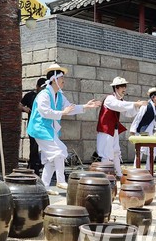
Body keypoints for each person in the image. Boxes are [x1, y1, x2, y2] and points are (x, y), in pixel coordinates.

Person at [27, 63, 101, 191]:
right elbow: (46, 112)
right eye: (62, 79)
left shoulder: (59, 96)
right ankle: (60, 181)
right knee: (59, 152)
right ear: (54, 79)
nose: (63, 81)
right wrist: (63, 112)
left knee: (52, 160)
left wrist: (86, 106)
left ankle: (43, 188)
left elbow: (69, 108)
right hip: (40, 129)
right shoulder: (43, 95)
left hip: (49, 130)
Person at [96, 77, 147, 178]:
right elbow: (119, 105)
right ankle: (105, 177)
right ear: (116, 88)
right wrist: (135, 104)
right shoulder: (110, 99)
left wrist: (137, 106)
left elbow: (128, 113)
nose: (124, 89)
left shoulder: (120, 100)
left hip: (113, 130)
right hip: (106, 130)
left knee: (116, 152)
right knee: (106, 154)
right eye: (122, 86)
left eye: (125, 86)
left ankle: (119, 174)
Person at [130, 87, 156, 170]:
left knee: (153, 150)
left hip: (152, 132)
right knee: (140, 150)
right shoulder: (146, 106)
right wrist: (133, 130)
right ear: (152, 97)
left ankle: (149, 169)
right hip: (143, 131)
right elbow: (138, 117)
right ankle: (135, 168)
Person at [19, 77, 47, 176]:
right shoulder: (31, 96)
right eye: (42, 87)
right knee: (34, 147)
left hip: (46, 126)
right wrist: (24, 109)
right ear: (37, 87)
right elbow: (19, 105)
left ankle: (42, 167)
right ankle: (34, 168)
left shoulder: (48, 97)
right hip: (34, 126)